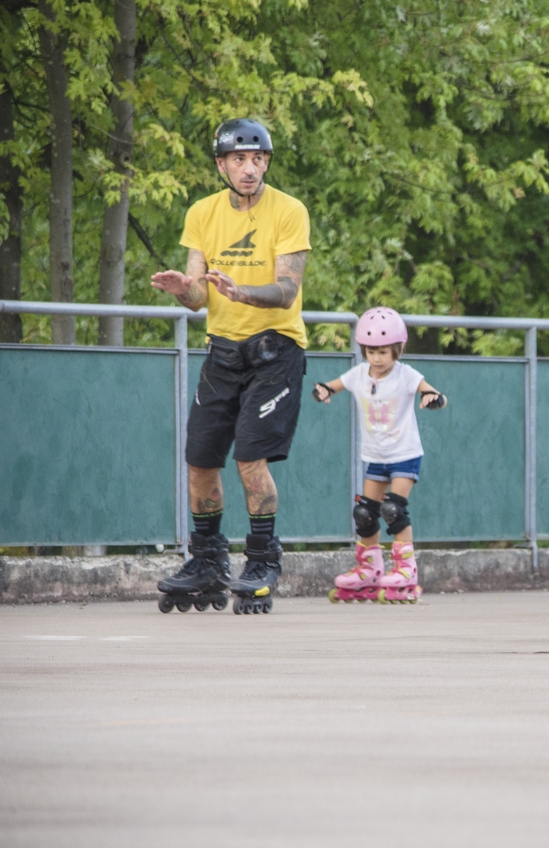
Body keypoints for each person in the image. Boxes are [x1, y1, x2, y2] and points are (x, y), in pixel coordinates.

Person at [150, 117, 311, 615]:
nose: (250, 168)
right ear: (221, 164)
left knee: (249, 458)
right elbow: (199, 296)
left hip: (275, 351)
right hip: (223, 352)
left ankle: (262, 559)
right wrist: (183, 290)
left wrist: (243, 293)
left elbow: (287, 290)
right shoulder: (202, 213)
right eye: (239, 159)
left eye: (258, 159)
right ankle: (207, 560)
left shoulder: (289, 210)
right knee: (200, 459)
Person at [313, 307, 446, 603]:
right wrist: (323, 390)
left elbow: (434, 392)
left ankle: (406, 570)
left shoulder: (405, 374)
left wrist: (432, 397)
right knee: (364, 514)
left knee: (393, 509)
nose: (377, 358)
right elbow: (333, 386)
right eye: (371, 351)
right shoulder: (359, 375)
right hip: (375, 456)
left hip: (404, 454)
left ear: (398, 349)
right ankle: (369, 571)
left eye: (384, 352)